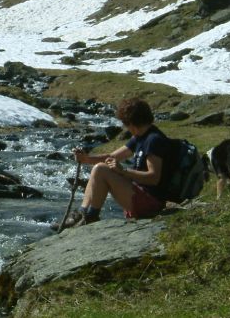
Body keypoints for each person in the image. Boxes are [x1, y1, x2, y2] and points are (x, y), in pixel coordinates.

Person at [56, 97, 171, 229]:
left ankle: (90, 216)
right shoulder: (140, 137)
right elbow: (111, 157)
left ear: (131, 123)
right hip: (140, 195)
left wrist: (123, 171)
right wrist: (86, 159)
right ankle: (84, 213)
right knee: (99, 169)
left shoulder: (154, 140)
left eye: (125, 124)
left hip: (151, 202)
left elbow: (153, 178)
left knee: (101, 169)